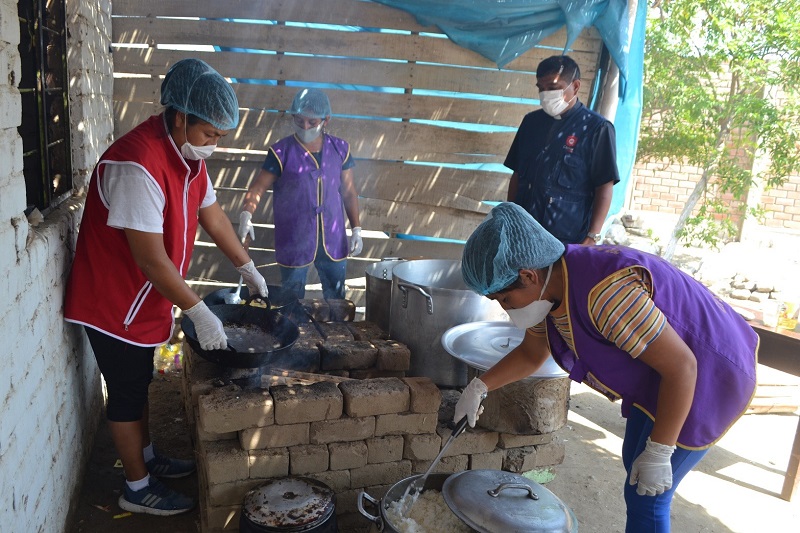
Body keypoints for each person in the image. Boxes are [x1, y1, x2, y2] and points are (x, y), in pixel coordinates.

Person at [454, 202, 758, 532]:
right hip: (662, 374)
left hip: (710, 374)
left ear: (528, 275)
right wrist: (479, 387)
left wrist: (660, 452)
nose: (507, 310)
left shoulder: (605, 296)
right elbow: (531, 353)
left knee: (648, 495)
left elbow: (683, 367)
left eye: (504, 300)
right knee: (635, 464)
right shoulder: (552, 287)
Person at [65, 58, 269, 516]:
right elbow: (150, 258)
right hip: (112, 303)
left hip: (141, 300)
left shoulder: (188, 158)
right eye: (209, 134)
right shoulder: (138, 164)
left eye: (220, 137)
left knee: (138, 382)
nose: (213, 146)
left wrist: (247, 265)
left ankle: (147, 457)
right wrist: (199, 310)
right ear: (179, 116)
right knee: (127, 391)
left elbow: (212, 215)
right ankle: (135, 488)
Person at [237, 88, 362, 300]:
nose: (305, 127)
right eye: (299, 120)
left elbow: (349, 192)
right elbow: (258, 187)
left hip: (333, 238)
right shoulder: (281, 152)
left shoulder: (340, 149)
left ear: (326, 120)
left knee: (337, 300)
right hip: (295, 238)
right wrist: (246, 216)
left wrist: (356, 228)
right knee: (291, 301)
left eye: (312, 122)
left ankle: (337, 331)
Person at [505, 55, 619, 245]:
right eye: (541, 89)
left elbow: (604, 186)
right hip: (523, 234)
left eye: (553, 88)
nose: (545, 94)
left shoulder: (596, 128)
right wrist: (510, 218)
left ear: (575, 86)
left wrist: (592, 237)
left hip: (566, 240)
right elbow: (517, 175)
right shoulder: (531, 123)